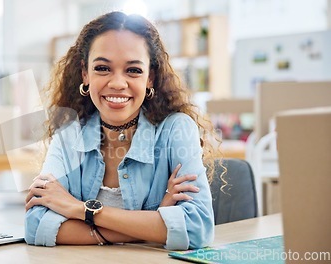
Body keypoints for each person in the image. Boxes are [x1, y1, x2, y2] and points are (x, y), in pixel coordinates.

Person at [24, 11, 221, 250]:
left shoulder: (176, 130)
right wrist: (151, 226)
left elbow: (197, 227)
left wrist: (80, 210)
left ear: (150, 77)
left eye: (133, 70)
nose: (118, 83)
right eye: (102, 68)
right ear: (85, 74)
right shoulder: (69, 134)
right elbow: (36, 226)